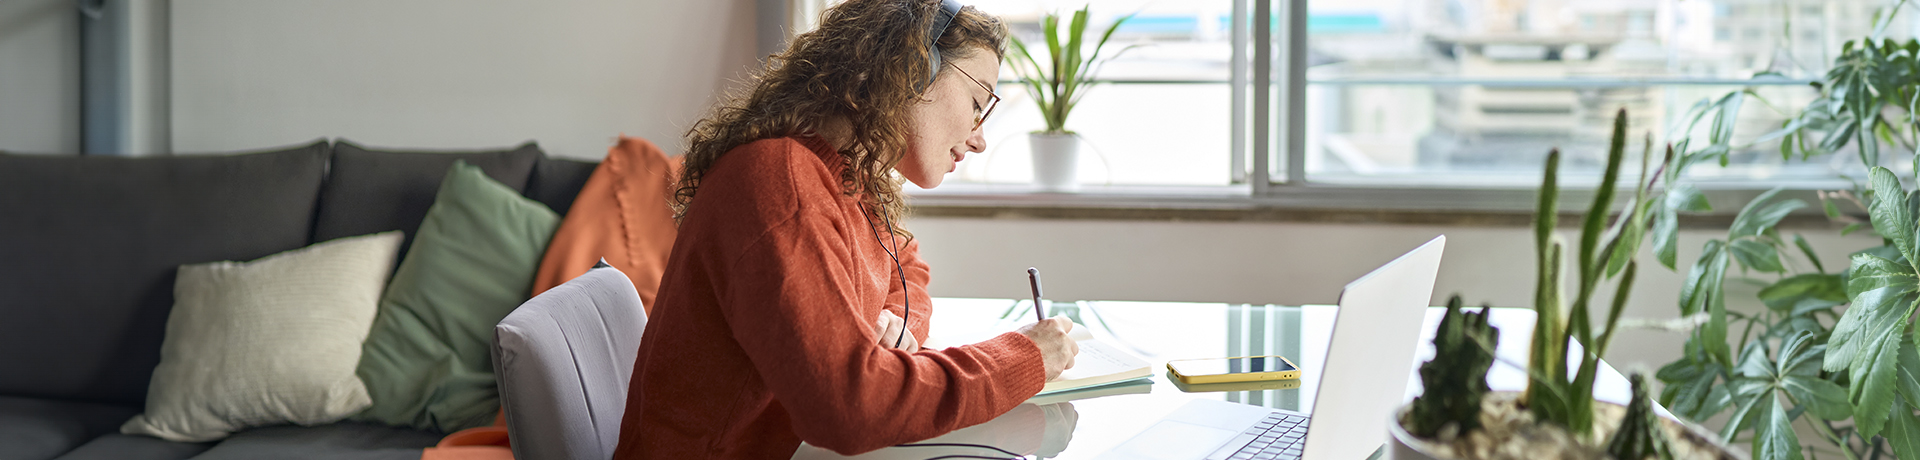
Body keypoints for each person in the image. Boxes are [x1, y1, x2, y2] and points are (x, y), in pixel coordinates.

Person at [611, 0, 1080, 458]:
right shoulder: (780, 182)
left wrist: (897, 326)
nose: (979, 138)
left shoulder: (849, 180)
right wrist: (1023, 358)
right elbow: (850, 409)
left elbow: (907, 270)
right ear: (914, 70)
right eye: (978, 103)